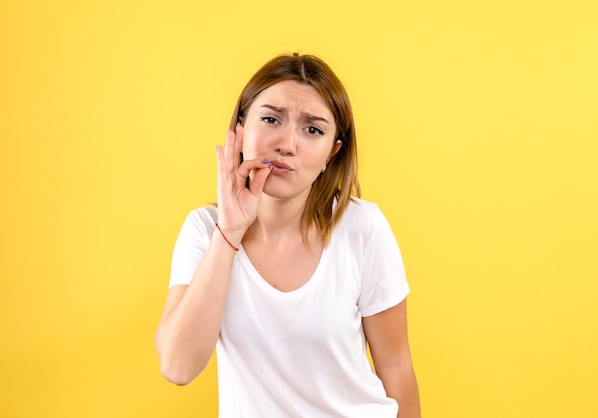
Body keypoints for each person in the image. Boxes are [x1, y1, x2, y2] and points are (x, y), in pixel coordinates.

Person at [155, 53, 421, 417]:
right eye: (270, 119)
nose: (287, 144)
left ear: (332, 152)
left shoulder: (362, 228)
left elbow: (396, 368)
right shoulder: (205, 231)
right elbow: (177, 366)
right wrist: (230, 232)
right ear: (240, 129)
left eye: (313, 129)